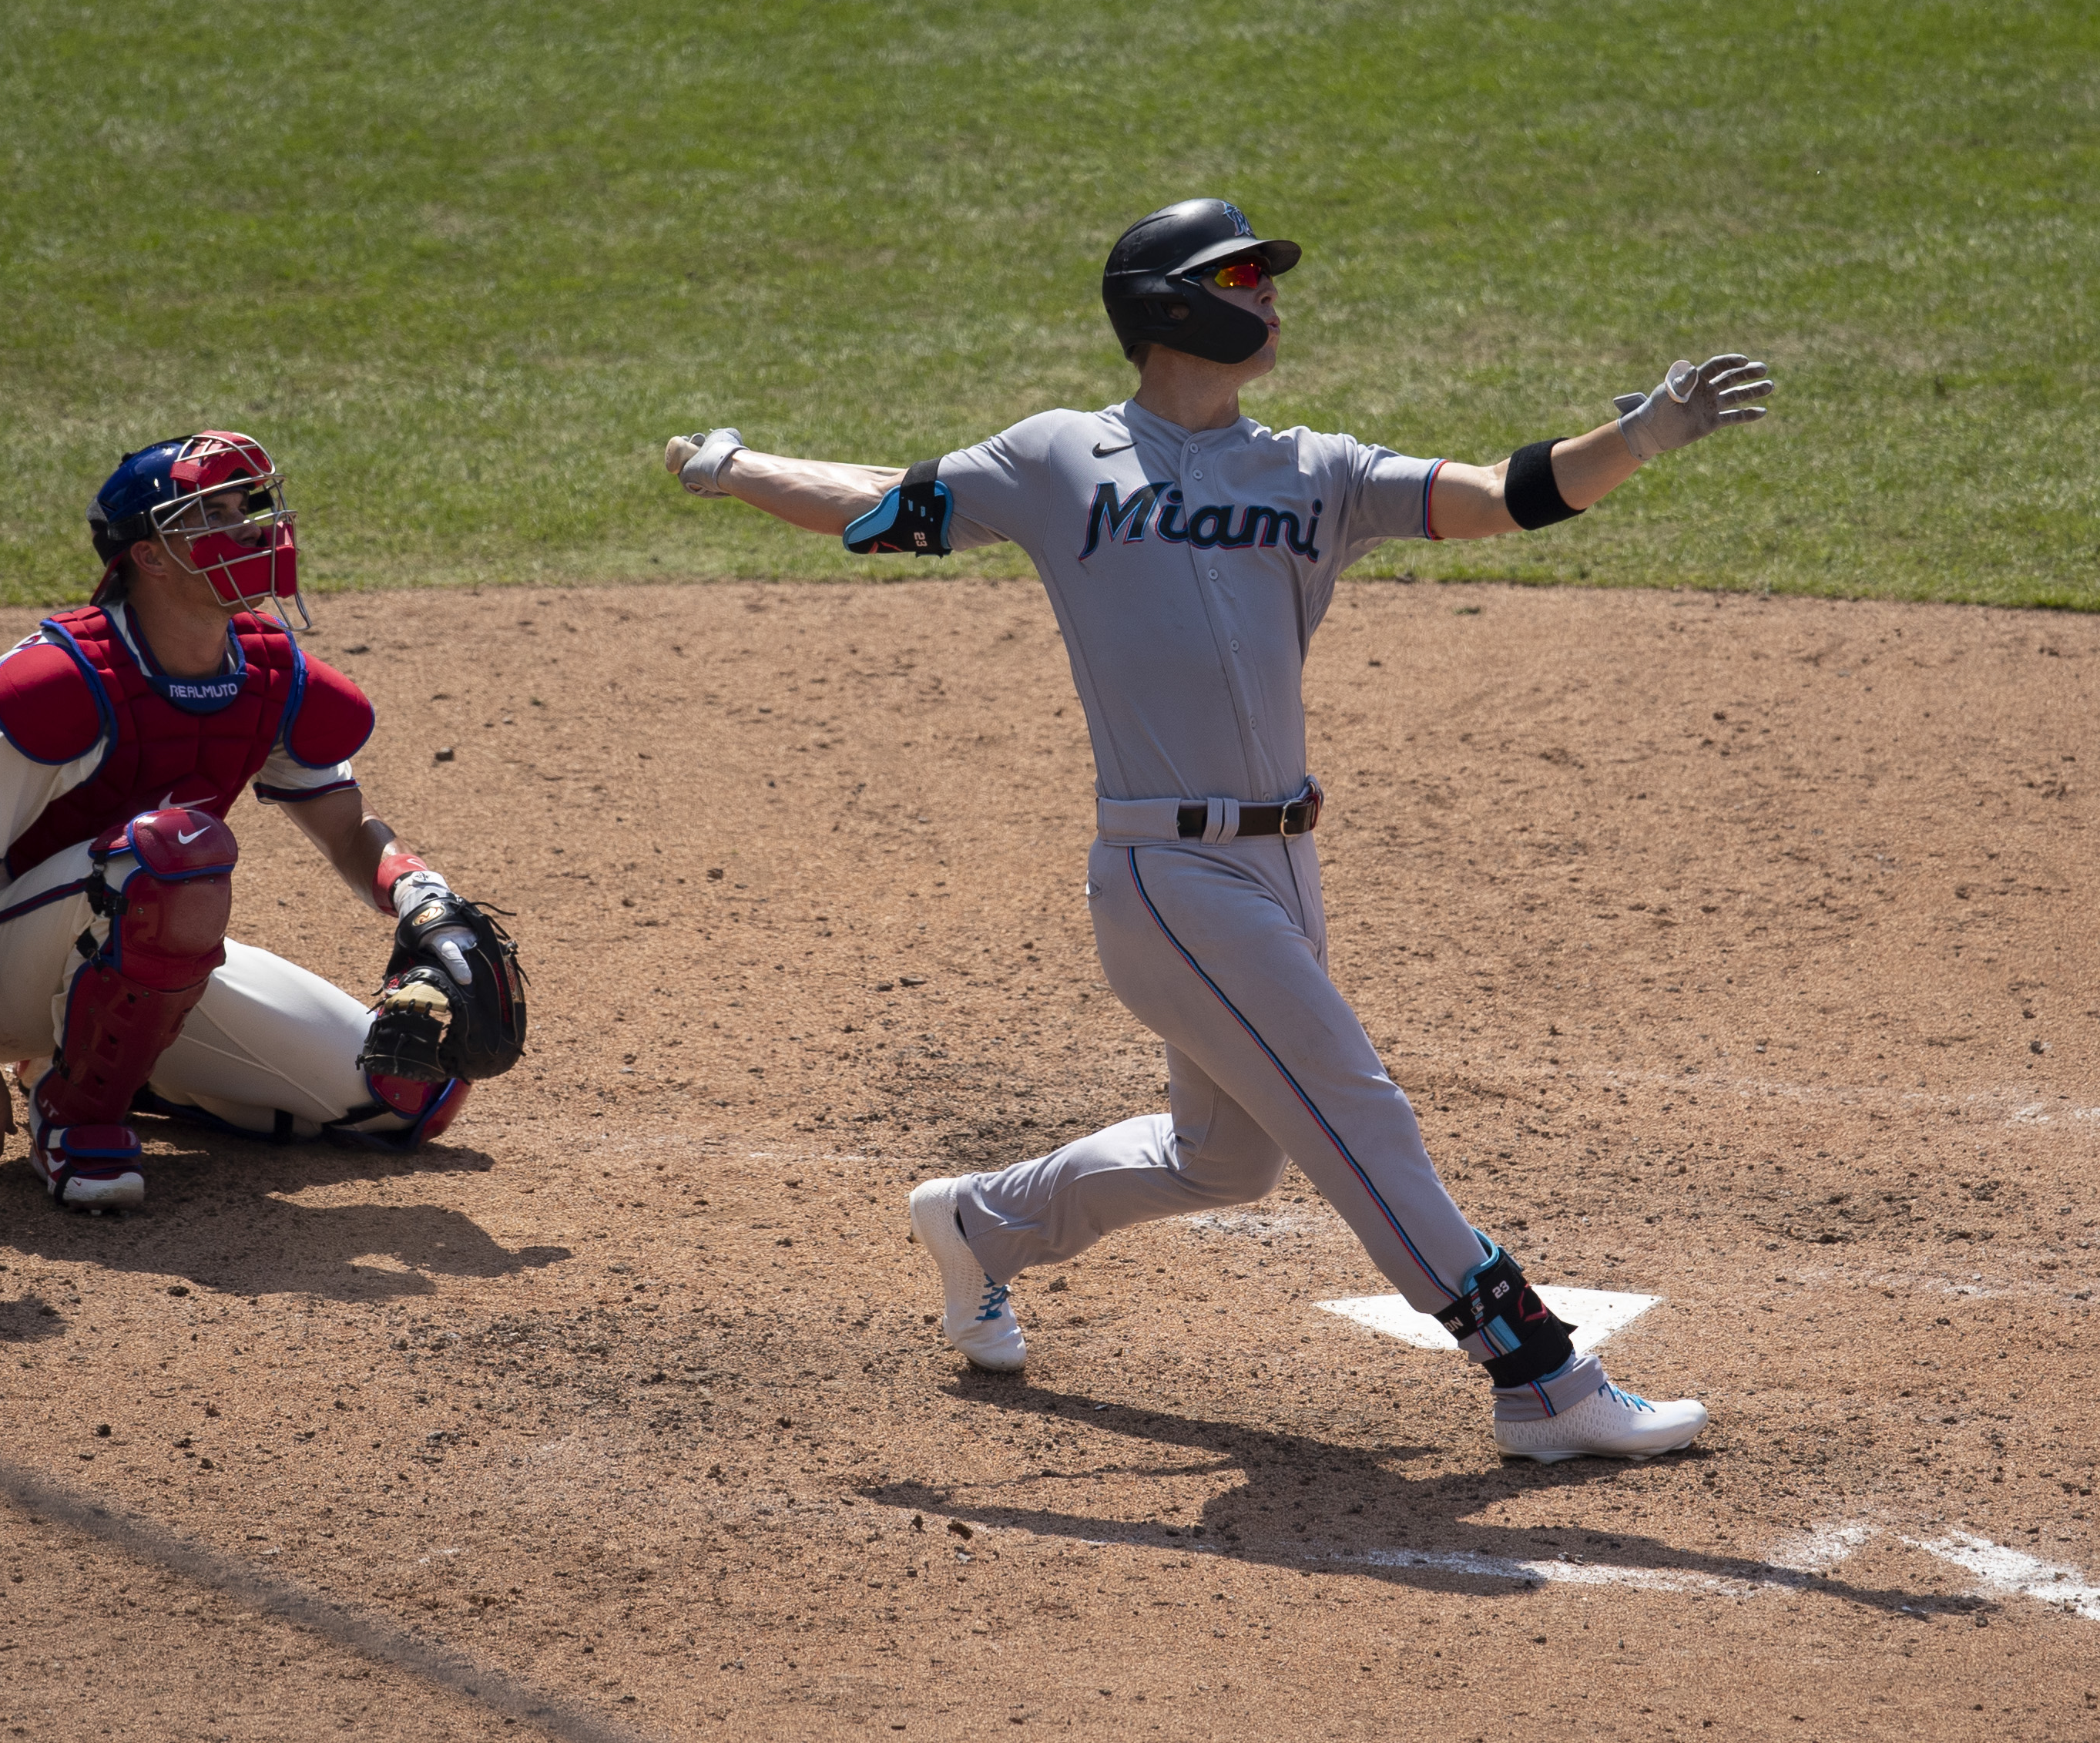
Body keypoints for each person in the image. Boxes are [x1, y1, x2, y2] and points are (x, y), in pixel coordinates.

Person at [664, 197, 1772, 1463]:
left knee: (1221, 1157)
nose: (1270, 299)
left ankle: (980, 1224)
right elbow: (885, 505)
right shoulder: (1056, 460)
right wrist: (732, 467)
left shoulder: (1310, 468)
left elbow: (1493, 496)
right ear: (1167, 304)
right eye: (1243, 276)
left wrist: (1636, 434)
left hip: (1280, 866)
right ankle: (1538, 1377)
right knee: (1357, 1111)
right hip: (1167, 876)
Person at [0, 431, 524, 1212]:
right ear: (150, 556)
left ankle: (114, 1062)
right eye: (213, 516)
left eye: (249, 509)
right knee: (171, 852)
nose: (251, 532)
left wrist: (420, 896)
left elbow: (345, 825)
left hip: (139, 946)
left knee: (405, 1095)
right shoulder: (58, 683)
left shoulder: (267, 674)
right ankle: (72, 1113)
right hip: (0, 974)